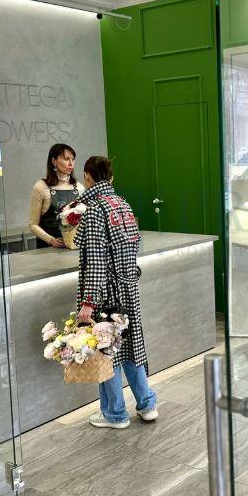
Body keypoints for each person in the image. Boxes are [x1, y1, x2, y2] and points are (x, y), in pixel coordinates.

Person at [76, 156, 157, 428]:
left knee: (107, 350)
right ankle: (147, 404)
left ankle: (115, 413)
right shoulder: (122, 204)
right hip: (128, 288)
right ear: (111, 177)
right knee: (132, 346)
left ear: (88, 177)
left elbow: (96, 260)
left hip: (106, 291)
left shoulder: (94, 209)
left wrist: (88, 302)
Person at [29, 143, 84, 249]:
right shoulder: (41, 187)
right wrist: (51, 240)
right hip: (47, 250)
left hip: (73, 248)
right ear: (54, 161)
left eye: (73, 159)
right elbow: (32, 225)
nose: (71, 163)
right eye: (66, 159)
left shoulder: (79, 187)